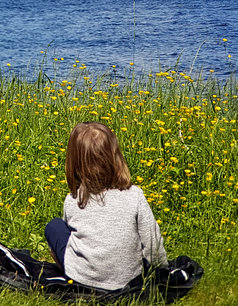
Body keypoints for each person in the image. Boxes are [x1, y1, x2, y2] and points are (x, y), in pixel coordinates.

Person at [44, 121, 168, 290]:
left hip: (81, 281)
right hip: (128, 281)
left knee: (54, 226)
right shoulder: (134, 195)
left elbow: (73, 236)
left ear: (74, 162)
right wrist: (162, 270)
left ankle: (72, 270)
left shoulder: (73, 199)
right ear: (114, 156)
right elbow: (152, 242)